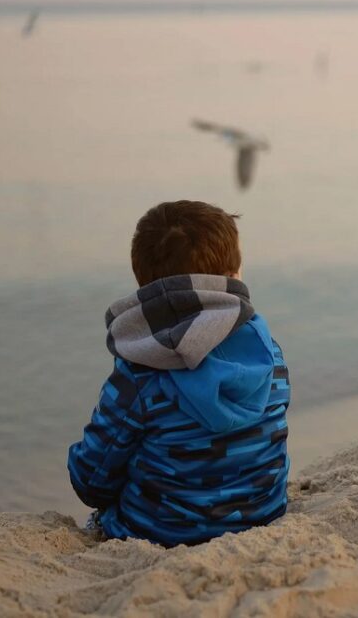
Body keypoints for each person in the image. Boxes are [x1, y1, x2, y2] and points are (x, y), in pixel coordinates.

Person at [67, 200, 290, 546]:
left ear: (144, 284)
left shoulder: (141, 371)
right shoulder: (267, 351)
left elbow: (91, 480)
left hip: (162, 532)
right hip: (265, 515)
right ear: (233, 277)